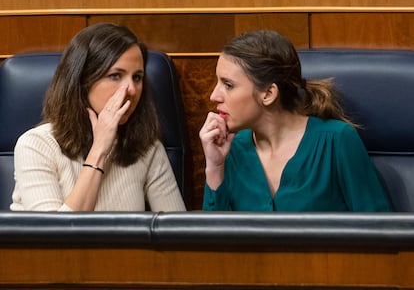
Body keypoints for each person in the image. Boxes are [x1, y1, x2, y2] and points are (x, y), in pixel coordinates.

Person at [199, 30, 393, 212]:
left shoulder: (337, 140)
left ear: (268, 94)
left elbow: (380, 233)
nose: (214, 96)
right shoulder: (232, 148)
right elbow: (213, 242)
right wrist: (215, 168)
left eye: (228, 85)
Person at [11, 23, 186, 212]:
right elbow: (56, 238)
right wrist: (100, 149)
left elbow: (178, 235)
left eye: (137, 77)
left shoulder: (147, 148)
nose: (132, 90)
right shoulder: (35, 145)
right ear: (82, 81)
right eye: (115, 76)